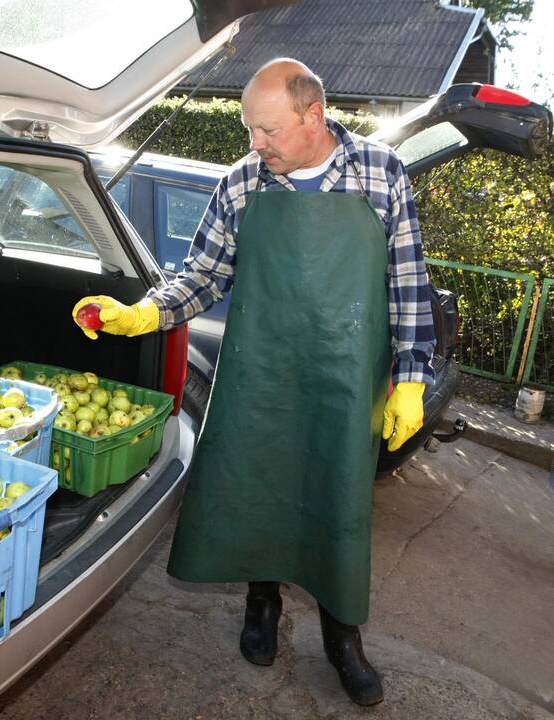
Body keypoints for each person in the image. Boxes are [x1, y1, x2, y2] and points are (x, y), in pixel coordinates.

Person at [72, 58, 436, 706]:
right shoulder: (242, 184)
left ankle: (340, 638)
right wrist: (144, 312)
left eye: (266, 131)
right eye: (248, 131)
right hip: (262, 375)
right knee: (259, 492)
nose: (254, 145)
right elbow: (203, 276)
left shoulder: (380, 174)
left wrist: (409, 377)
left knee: (335, 507)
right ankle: (260, 606)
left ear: (313, 117)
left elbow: (406, 285)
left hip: (345, 383)